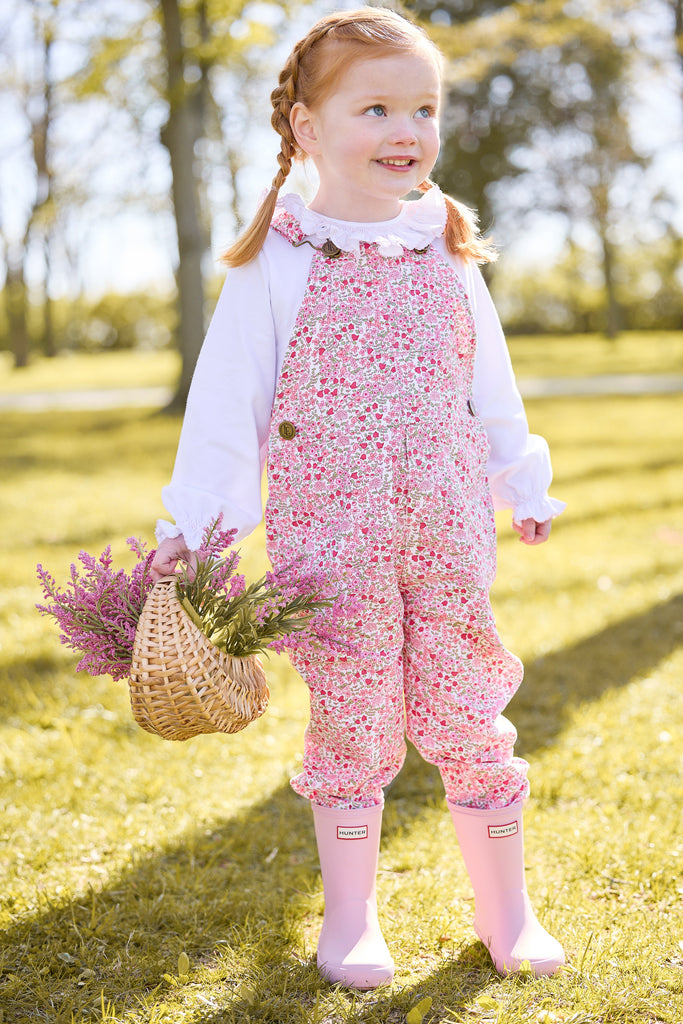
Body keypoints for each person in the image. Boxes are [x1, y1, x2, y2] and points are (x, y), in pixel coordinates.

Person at [151, 6, 566, 989]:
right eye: (375, 107)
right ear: (305, 127)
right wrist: (195, 533)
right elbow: (226, 409)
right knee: (350, 710)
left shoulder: (444, 247)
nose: (405, 131)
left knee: (469, 701)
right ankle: (350, 920)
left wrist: (522, 481)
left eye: (421, 108)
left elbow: (488, 382)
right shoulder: (277, 261)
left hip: (447, 523)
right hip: (326, 538)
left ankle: (507, 913)